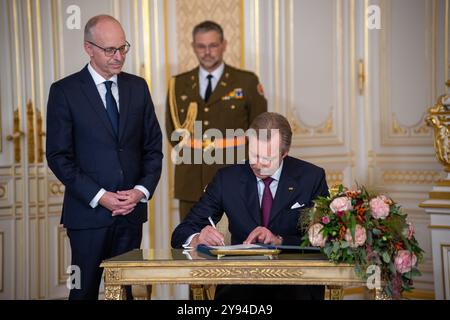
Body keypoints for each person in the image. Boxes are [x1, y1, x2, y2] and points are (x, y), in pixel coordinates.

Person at [46, 15, 163, 300]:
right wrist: (100, 196)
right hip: (88, 215)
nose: (119, 56)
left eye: (123, 48)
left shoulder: (138, 87)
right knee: (82, 292)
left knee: (125, 294)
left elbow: (153, 148)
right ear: (89, 48)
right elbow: (59, 156)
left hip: (130, 214)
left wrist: (139, 192)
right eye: (110, 50)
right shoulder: (65, 91)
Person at [171, 112, 328, 300]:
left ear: (284, 154)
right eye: (253, 154)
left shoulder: (311, 178)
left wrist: (279, 241)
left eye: (266, 159)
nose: (257, 164)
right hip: (240, 289)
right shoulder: (227, 179)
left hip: (295, 286)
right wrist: (197, 238)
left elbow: (326, 241)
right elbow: (181, 233)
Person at [166, 20, 267, 221]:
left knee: (235, 243)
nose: (207, 52)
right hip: (191, 178)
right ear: (194, 47)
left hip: (235, 175)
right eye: (201, 46)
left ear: (224, 45)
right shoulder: (178, 84)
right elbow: (173, 130)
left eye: (213, 45)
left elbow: (260, 131)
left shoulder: (246, 81)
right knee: (190, 241)